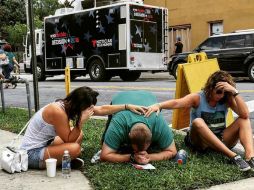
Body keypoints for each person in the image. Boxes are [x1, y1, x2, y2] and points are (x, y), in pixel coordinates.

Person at [145, 70, 254, 171]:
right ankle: (233, 156)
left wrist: (234, 93)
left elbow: (244, 115)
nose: (222, 95)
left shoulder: (227, 99)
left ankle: (250, 157)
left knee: (243, 120)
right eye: (219, 91)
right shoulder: (198, 98)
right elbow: (177, 103)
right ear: (210, 88)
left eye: (225, 92)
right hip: (200, 142)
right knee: (198, 121)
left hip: (220, 138)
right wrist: (159, 105)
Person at [20, 86, 146, 169]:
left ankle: (64, 160)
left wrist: (126, 106)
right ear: (79, 105)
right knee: (74, 148)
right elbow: (69, 140)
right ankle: (63, 161)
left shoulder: (66, 105)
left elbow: (102, 109)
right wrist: (80, 122)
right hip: (31, 154)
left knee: (79, 136)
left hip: (45, 145)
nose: (89, 111)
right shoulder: (57, 111)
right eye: (87, 108)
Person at [100, 90, 177, 164]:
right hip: (121, 98)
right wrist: (131, 157)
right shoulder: (118, 123)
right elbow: (104, 155)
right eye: (137, 150)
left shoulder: (159, 122)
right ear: (128, 135)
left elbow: (173, 151)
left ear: (152, 138)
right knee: (104, 141)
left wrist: (149, 157)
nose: (140, 153)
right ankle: (106, 139)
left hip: (147, 96)